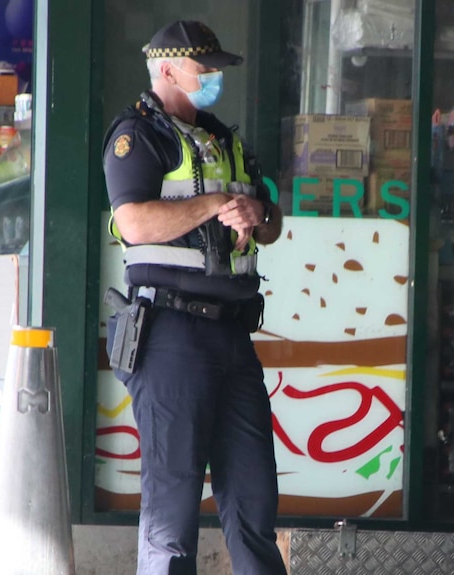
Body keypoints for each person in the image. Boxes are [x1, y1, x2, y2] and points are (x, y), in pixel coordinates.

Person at [101, 20, 286, 575]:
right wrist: (212, 205)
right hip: (170, 334)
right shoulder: (138, 136)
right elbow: (131, 220)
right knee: (172, 509)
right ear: (167, 70)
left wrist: (261, 214)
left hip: (232, 335)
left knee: (254, 497)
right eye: (205, 71)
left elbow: (271, 223)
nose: (214, 80)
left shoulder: (225, 139)